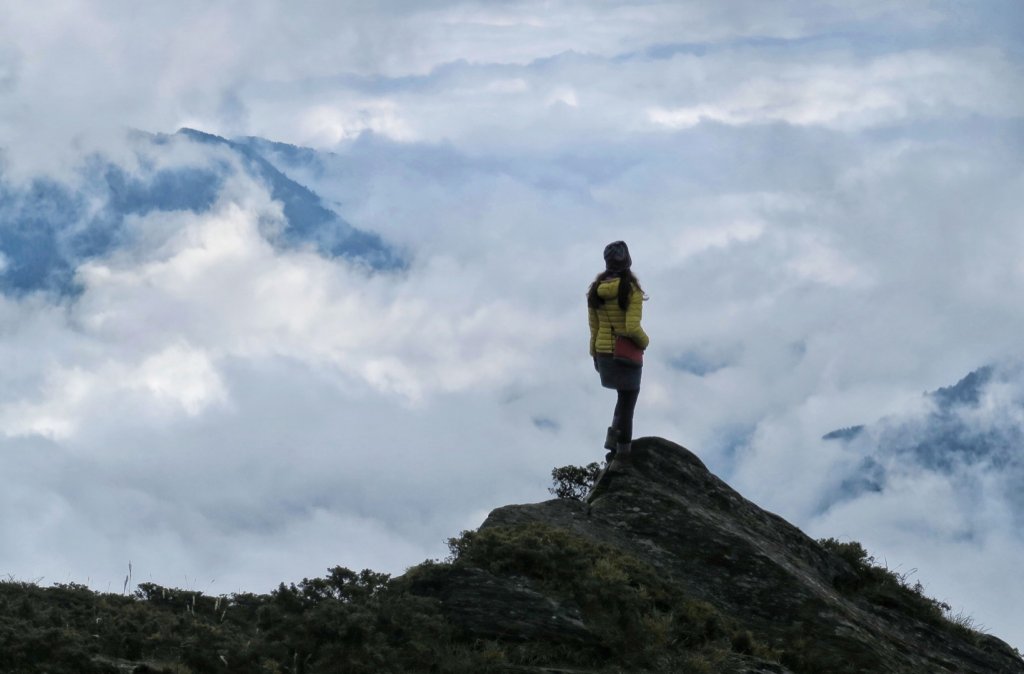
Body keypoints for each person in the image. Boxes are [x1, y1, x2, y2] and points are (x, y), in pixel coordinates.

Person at [587, 240, 649, 464]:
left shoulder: (595, 290)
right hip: (624, 353)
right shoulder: (629, 289)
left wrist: (594, 354)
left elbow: (593, 328)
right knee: (628, 399)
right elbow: (632, 328)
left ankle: (613, 442)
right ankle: (622, 453)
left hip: (603, 352)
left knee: (622, 399)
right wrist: (645, 342)